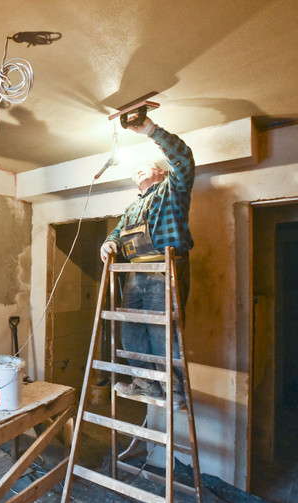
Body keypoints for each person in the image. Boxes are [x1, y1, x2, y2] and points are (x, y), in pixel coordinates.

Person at [99, 116, 195, 408]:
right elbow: (117, 231)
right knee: (130, 330)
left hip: (165, 270)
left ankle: (174, 389)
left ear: (162, 173)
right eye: (136, 168)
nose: (139, 167)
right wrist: (110, 242)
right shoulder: (131, 208)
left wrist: (152, 131)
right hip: (135, 273)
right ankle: (148, 383)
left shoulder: (171, 192)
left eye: (148, 165)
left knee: (161, 331)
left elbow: (184, 159)